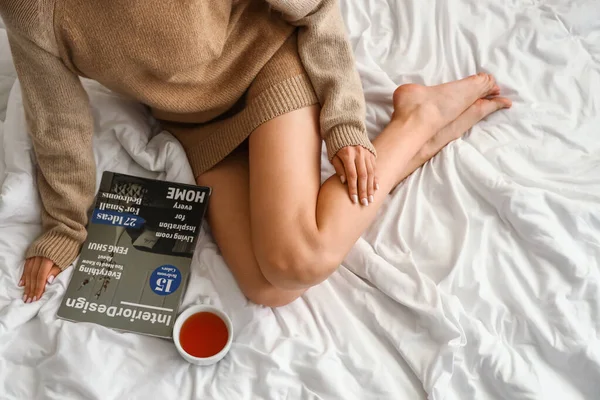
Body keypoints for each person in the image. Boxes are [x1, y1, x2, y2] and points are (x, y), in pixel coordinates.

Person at [1, 0, 511, 307]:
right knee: (269, 289)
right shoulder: (28, 8)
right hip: (197, 125)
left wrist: (345, 118)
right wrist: (64, 227)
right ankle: (415, 138)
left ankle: (415, 118)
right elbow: (57, 120)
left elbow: (315, 8)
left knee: (297, 259)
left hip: (265, 65)